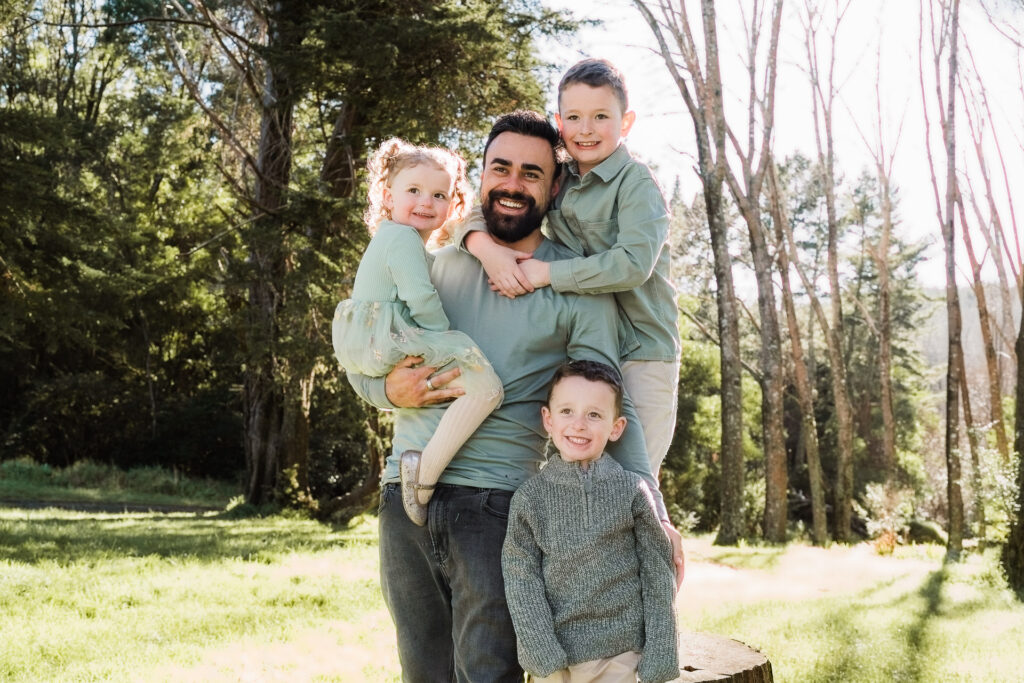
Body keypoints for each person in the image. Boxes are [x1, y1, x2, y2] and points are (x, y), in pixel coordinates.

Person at [347, 110, 683, 683]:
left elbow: (608, 402)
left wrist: (649, 499)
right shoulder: (431, 265)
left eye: (532, 173)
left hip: (496, 507)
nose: (512, 183)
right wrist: (382, 389)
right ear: (479, 181)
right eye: (500, 168)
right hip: (403, 499)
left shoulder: (576, 286)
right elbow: (366, 352)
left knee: (490, 673)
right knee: (422, 672)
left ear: (555, 186)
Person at [460, 58, 682, 477]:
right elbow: (488, 203)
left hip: (642, 353)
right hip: (584, 343)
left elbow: (633, 265)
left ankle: (654, 535)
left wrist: (549, 274)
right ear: (560, 122)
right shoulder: (561, 178)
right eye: (575, 117)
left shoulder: (637, 185)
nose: (586, 129)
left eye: (601, 117)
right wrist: (484, 247)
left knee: (632, 478)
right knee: (580, 474)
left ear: (626, 122)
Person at [331, 138, 503, 526]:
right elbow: (420, 297)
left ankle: (424, 468)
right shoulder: (403, 237)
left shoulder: (395, 238)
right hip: (384, 335)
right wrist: (445, 339)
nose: (426, 202)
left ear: (452, 204)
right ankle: (422, 477)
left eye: (439, 194)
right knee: (488, 387)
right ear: (387, 196)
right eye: (413, 191)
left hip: (370, 338)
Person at [502, 360, 679, 683]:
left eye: (594, 414)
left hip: (622, 655)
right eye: (567, 411)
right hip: (556, 660)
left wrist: (661, 652)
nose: (579, 424)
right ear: (548, 420)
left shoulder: (632, 491)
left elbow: (657, 573)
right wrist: (543, 655)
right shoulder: (530, 498)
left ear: (616, 427)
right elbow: (521, 580)